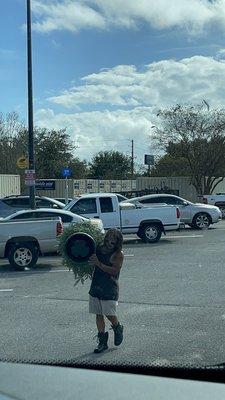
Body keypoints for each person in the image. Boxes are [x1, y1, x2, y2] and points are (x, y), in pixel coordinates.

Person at [89, 228, 124, 353]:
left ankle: (117, 328)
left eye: (114, 239)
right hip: (96, 285)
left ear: (118, 241)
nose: (110, 240)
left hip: (109, 287)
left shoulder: (119, 254)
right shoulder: (99, 248)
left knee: (109, 314)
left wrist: (98, 264)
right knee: (98, 314)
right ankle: (102, 342)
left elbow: (114, 271)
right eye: (109, 237)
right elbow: (91, 260)